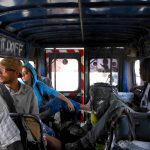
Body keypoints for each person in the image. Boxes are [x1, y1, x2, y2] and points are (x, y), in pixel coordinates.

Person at [65, 57, 150, 150]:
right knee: (112, 96)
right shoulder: (147, 85)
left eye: (141, 70)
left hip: (144, 121)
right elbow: (143, 105)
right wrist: (132, 105)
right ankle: (90, 126)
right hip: (140, 113)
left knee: (116, 104)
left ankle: (86, 141)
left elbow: (147, 113)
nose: (139, 72)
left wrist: (128, 108)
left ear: (148, 71)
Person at [0, 58, 62, 150]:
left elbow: (34, 119)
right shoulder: (1, 93)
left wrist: (35, 138)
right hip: (5, 137)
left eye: (2, 70)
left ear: (17, 73)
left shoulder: (29, 92)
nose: (0, 73)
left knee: (57, 144)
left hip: (27, 132)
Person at [21, 62, 90, 119]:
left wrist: (68, 102)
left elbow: (54, 93)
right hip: (31, 115)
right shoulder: (21, 87)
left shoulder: (39, 85)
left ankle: (86, 108)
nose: (23, 75)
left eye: (25, 73)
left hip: (41, 110)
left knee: (59, 100)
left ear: (32, 73)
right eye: (21, 73)